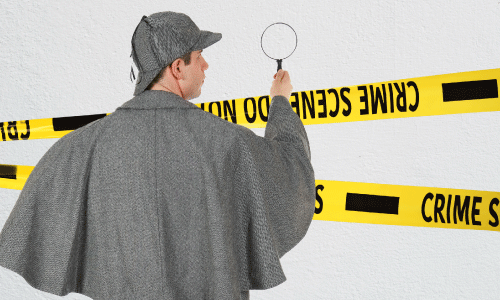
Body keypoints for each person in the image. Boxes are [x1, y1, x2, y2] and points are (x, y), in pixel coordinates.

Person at [0, 11, 315, 300]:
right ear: (177, 67)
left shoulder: (81, 147)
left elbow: (34, 230)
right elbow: (291, 170)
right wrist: (280, 103)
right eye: (200, 56)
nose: (206, 65)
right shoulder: (227, 143)